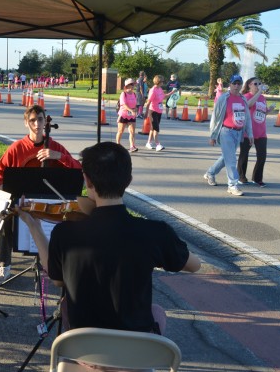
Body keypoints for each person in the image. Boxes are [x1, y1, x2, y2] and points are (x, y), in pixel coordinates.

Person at [16, 141, 201, 333]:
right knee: (157, 312)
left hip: (84, 350)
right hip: (137, 352)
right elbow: (194, 265)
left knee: (65, 306)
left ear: (87, 180)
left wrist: (33, 225)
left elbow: (57, 279)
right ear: (128, 181)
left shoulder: (65, 233)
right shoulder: (156, 232)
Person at [0, 104, 82, 286]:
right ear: (26, 123)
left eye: (40, 119)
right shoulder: (17, 148)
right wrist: (3, 186)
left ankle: (58, 263)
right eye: (32, 120)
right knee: (7, 218)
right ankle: (4, 265)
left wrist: (59, 157)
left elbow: (78, 170)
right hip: (22, 201)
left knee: (69, 219)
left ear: (44, 121)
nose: (37, 124)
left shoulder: (55, 147)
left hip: (51, 203)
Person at [203, 74, 254, 196]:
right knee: (231, 159)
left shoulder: (243, 100)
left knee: (226, 157)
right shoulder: (223, 98)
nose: (236, 86)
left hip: (238, 132)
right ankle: (232, 185)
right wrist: (213, 136)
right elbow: (215, 118)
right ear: (229, 85)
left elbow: (246, 117)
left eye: (239, 84)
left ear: (241, 85)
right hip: (226, 132)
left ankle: (210, 172)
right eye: (234, 83)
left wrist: (250, 133)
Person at [237, 77, 275, 187]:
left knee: (262, 156)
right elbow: (248, 105)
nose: (258, 85)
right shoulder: (246, 96)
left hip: (261, 132)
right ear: (249, 85)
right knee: (244, 155)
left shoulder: (262, 97)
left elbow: (262, 113)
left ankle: (257, 178)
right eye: (255, 83)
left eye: (260, 83)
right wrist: (258, 93)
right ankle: (241, 177)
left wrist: (269, 110)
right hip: (248, 132)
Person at [143, 74, 173, 151]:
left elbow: (164, 96)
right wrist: (146, 112)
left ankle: (148, 143)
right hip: (153, 111)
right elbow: (148, 102)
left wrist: (172, 92)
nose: (163, 82)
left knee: (153, 128)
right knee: (156, 128)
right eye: (162, 81)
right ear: (158, 81)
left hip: (159, 111)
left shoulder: (159, 89)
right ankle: (158, 144)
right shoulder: (153, 90)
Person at [116, 78, 138, 152]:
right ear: (127, 85)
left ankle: (132, 146)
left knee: (132, 131)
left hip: (131, 115)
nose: (133, 86)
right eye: (132, 84)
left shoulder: (134, 94)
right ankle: (117, 145)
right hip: (123, 114)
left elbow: (135, 104)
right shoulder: (123, 94)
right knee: (120, 131)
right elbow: (124, 104)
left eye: (133, 84)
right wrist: (131, 110)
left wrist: (135, 109)